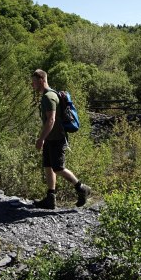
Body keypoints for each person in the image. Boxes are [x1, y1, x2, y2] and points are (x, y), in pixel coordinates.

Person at [31, 69, 90, 210]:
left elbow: (51, 120)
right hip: (50, 138)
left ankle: (82, 188)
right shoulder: (48, 95)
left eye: (33, 82)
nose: (32, 85)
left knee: (58, 168)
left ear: (41, 80)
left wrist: (41, 138)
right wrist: (45, 139)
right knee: (48, 166)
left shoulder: (49, 97)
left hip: (57, 138)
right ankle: (50, 198)